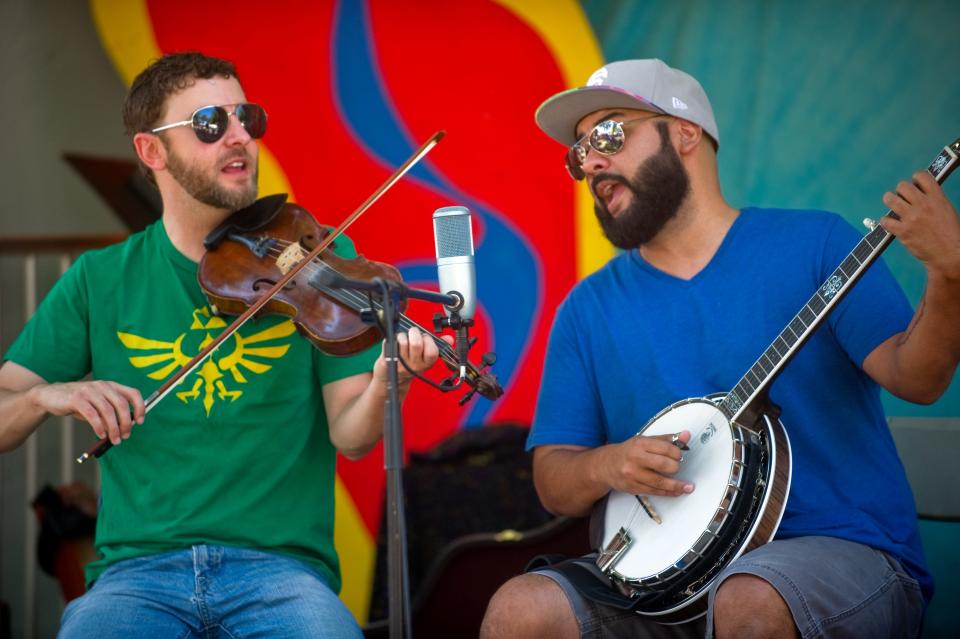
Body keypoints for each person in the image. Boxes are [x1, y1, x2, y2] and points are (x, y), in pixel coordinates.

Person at [481, 59, 960, 638]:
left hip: (837, 554)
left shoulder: (817, 242)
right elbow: (553, 479)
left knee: (749, 600)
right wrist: (612, 462)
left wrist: (949, 274)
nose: (592, 162)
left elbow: (919, 378)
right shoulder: (587, 308)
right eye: (578, 154)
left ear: (685, 132)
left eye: (608, 132)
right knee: (520, 609)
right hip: (661, 582)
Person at [0, 51, 446, 638]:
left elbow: (352, 436)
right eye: (212, 124)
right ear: (152, 152)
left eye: (247, 119)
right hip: (136, 578)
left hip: (281, 576)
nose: (240, 137)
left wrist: (396, 379)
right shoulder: (99, 279)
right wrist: (45, 397)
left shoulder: (311, 264)